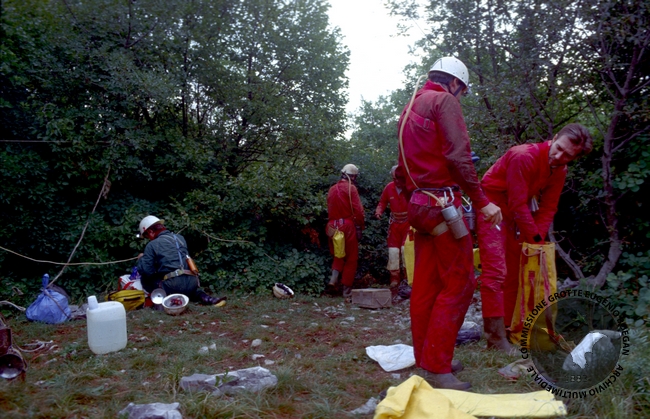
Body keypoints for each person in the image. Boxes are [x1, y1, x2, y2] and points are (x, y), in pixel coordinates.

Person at [395, 56, 502, 390]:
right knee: (460, 283)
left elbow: (400, 168)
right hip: (442, 205)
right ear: (455, 83)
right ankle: (438, 366)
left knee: (426, 286)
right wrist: (482, 201)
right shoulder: (444, 101)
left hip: (419, 204)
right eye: (462, 91)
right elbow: (458, 157)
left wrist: (413, 196)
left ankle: (427, 356)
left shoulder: (410, 107)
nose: (461, 96)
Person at [477, 123, 593, 352]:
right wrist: (535, 238)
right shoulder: (523, 156)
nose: (558, 157)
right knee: (495, 271)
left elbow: (548, 207)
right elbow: (517, 204)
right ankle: (495, 337)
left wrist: (537, 241)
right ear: (555, 137)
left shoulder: (560, 169)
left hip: (515, 210)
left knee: (515, 269)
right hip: (492, 204)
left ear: (575, 157)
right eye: (558, 148)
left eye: (567, 156)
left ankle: (509, 328)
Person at [136, 216, 226, 306]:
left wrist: (141, 260)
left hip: (172, 286)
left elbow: (147, 271)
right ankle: (206, 298)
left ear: (150, 232)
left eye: (147, 236)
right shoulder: (180, 238)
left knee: (146, 278)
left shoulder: (152, 245)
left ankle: (160, 299)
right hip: (192, 282)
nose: (148, 238)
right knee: (190, 288)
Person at [325, 164, 365, 300]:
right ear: (353, 177)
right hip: (347, 226)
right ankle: (346, 291)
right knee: (351, 258)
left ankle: (333, 279)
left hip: (331, 226)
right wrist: (360, 226)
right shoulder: (351, 188)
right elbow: (358, 211)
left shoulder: (331, 189)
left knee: (338, 254)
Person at [374, 165, 410, 300]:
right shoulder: (389, 188)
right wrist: (379, 212)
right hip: (394, 224)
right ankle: (394, 280)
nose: (397, 181)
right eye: (395, 179)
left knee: (406, 250)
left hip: (408, 223)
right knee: (393, 252)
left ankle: (408, 279)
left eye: (399, 178)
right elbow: (382, 202)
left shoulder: (410, 187)